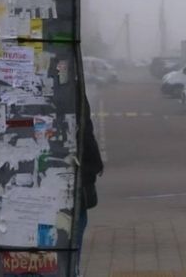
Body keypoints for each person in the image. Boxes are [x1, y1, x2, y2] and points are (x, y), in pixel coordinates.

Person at [76, 96, 104, 275]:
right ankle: (72, 270)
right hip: (76, 175)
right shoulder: (73, 88)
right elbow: (85, 132)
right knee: (76, 226)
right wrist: (96, 164)